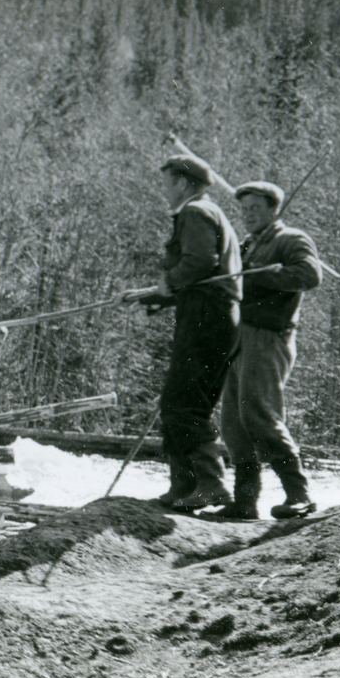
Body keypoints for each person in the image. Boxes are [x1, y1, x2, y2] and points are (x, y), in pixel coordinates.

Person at [138, 155, 242, 511]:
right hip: (209, 314)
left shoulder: (196, 213)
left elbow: (198, 264)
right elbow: (201, 276)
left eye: (167, 182)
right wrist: (154, 295)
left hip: (205, 317)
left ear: (182, 183)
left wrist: (168, 282)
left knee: (182, 404)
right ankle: (184, 486)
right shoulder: (207, 212)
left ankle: (210, 485)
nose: (165, 191)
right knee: (180, 402)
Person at [214, 182, 322, 520]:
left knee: (260, 414)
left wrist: (264, 276)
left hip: (268, 338)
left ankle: (299, 495)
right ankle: (245, 502)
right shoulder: (248, 245)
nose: (248, 215)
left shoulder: (291, 239)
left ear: (273, 209)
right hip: (238, 337)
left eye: (255, 208)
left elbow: (310, 274)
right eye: (244, 209)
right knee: (233, 420)